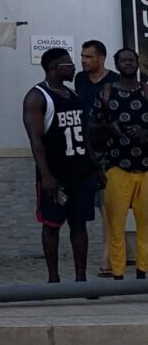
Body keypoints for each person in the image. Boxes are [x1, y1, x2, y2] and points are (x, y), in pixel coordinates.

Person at [22, 48, 99, 283]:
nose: (74, 67)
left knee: (80, 226)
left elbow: (84, 135)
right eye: (69, 64)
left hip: (81, 172)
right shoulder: (37, 96)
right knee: (51, 226)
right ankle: (53, 280)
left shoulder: (72, 95)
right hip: (56, 175)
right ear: (55, 67)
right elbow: (35, 140)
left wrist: (95, 166)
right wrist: (46, 176)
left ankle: (80, 280)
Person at [92, 48, 148, 280]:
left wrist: (146, 132)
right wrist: (109, 127)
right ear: (116, 64)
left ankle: (143, 273)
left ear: (137, 64)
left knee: (146, 225)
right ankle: (117, 274)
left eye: (131, 60)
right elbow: (91, 128)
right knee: (116, 225)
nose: (128, 63)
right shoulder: (106, 93)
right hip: (117, 167)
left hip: (146, 168)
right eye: (123, 60)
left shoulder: (146, 91)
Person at [74, 39, 120, 278]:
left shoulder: (113, 82)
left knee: (106, 206)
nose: (83, 61)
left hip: (107, 151)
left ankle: (107, 261)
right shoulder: (80, 80)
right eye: (82, 56)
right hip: (83, 149)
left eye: (89, 57)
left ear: (101, 58)